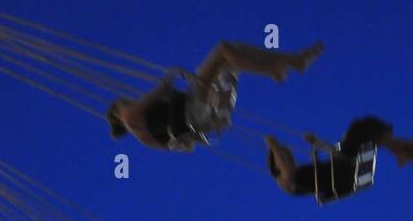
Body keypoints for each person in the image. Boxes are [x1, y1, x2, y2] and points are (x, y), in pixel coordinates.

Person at [107, 40, 323, 152]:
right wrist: (169, 78)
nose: (125, 100)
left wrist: (206, 129)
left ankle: (290, 61)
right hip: (190, 112)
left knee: (231, 55)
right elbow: (160, 91)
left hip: (197, 118)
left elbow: (185, 148)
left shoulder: (145, 139)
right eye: (121, 101)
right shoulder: (128, 116)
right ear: (116, 112)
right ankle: (279, 66)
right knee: (223, 50)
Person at [264, 117, 413, 199]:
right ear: (277, 165)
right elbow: (284, 169)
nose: (290, 156)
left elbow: (334, 155)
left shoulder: (300, 174)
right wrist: (273, 145)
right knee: (358, 130)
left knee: (363, 133)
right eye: (286, 155)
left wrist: (318, 143)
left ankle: (400, 150)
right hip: (343, 177)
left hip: (343, 171)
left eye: (288, 154)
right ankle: (401, 150)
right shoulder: (286, 181)